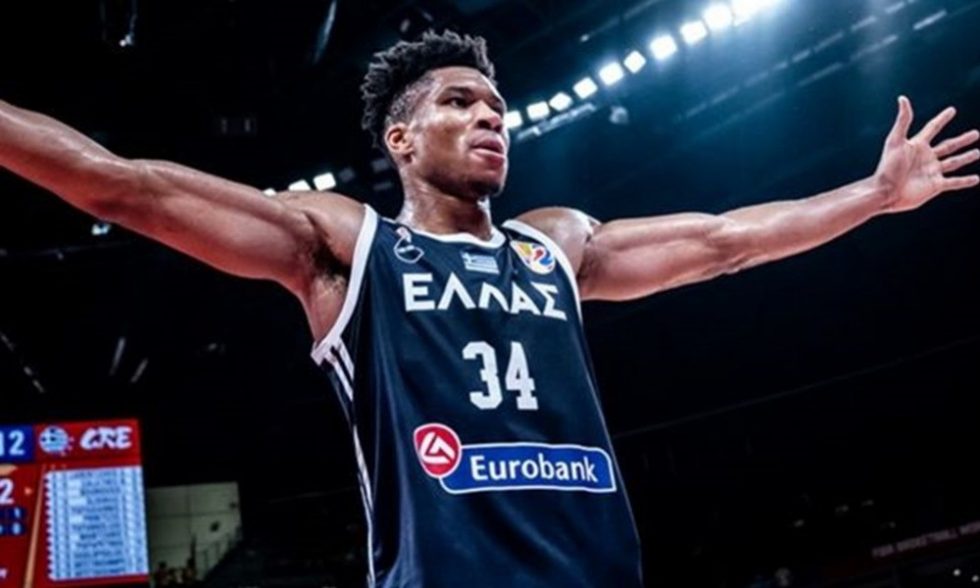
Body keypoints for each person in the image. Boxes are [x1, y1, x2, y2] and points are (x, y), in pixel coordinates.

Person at [0, 29, 977, 588]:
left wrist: (871, 196)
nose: (488, 119)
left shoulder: (554, 245)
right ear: (400, 138)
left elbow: (727, 242)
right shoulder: (348, 246)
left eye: (497, 110)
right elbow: (122, 186)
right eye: (461, 103)